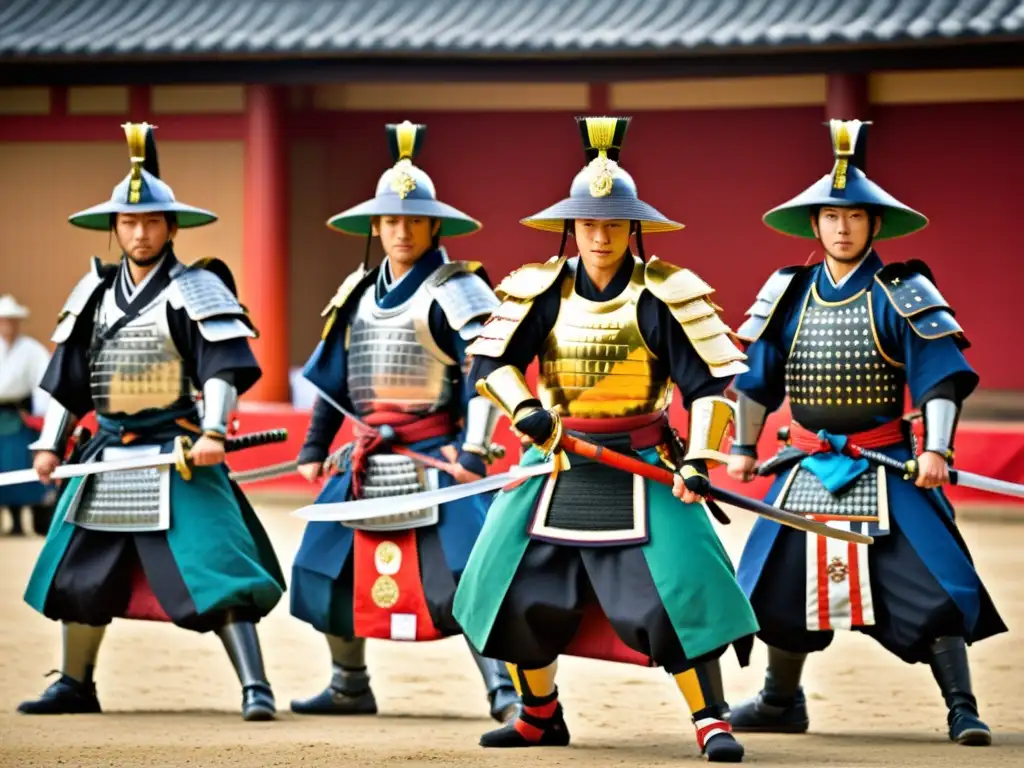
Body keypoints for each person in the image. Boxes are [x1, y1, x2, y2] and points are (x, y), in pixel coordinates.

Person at [453, 116, 758, 763]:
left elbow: (708, 386)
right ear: (572, 227)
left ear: (632, 228)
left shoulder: (664, 294)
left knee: (685, 583)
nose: (600, 236)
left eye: (613, 224)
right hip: (558, 462)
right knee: (504, 582)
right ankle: (538, 715)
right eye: (589, 224)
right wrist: (527, 410)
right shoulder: (542, 290)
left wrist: (698, 460)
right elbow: (490, 364)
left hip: (642, 460)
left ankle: (710, 719)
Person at [724, 119, 1005, 746]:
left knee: (933, 581)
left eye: (854, 216)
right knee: (773, 584)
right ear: (815, 224)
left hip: (886, 464)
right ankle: (778, 701)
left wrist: (935, 448)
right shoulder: (787, 294)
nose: (843, 227)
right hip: (803, 468)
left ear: (876, 224)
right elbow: (753, 379)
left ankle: (962, 706)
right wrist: (743, 447)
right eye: (830, 215)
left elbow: (939, 375)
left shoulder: (904, 291)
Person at [16, 123, 286, 721]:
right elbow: (69, 378)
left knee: (215, 563)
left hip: (180, 450)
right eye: (129, 223)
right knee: (77, 569)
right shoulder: (92, 292)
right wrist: (49, 444)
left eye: (152, 222)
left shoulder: (198, 288)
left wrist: (215, 432)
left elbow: (220, 366)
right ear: (114, 228)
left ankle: (255, 686)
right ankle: (75, 684)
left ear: (171, 227)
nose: (140, 233)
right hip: (107, 452)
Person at [288, 120, 519, 723]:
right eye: (390, 220)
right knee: (319, 565)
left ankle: (504, 688)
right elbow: (332, 381)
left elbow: (488, 371)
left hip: (435, 456)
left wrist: (472, 453)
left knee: (471, 571)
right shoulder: (357, 293)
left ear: (433, 224)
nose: (400, 231)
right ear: (376, 226)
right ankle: (348, 684)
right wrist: (315, 446)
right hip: (367, 459)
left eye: (412, 220)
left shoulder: (458, 289)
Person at [0, 294, 55, 535]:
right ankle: (7, 519)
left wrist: (42, 414)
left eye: (12, 321)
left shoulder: (32, 350)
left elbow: (42, 383)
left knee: (18, 465)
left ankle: (22, 520)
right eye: (3, 321)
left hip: (19, 415)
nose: (7, 326)